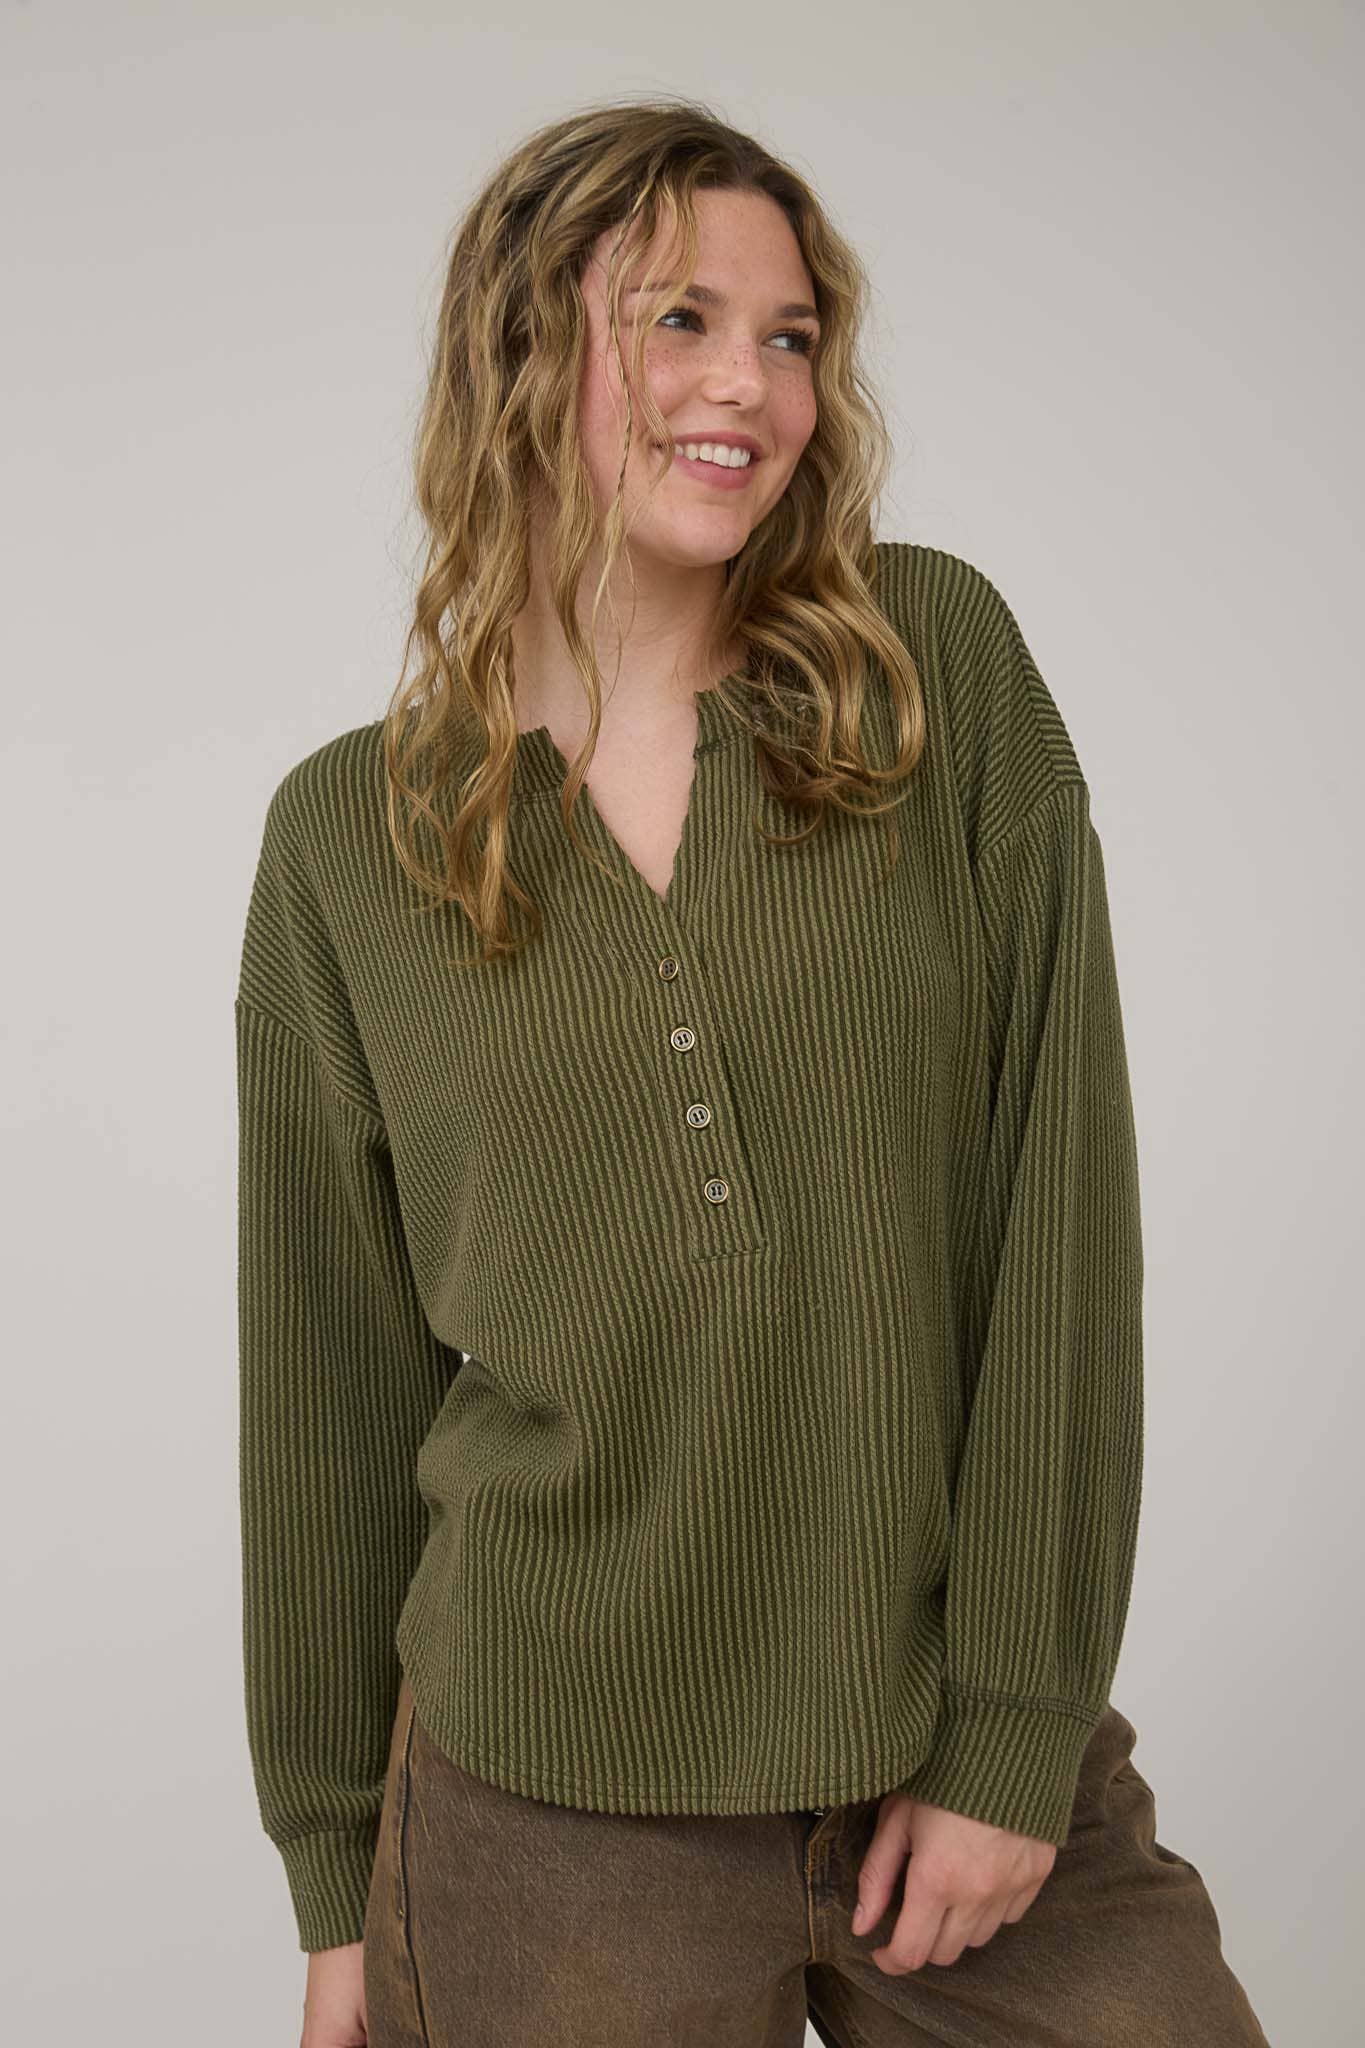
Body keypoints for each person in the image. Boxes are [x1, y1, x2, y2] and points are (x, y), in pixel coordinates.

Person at [235, 97, 1272, 2048]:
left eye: (788, 335)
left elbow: (1057, 1221)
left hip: (945, 1734)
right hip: (536, 1803)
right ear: (517, 354)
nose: (749, 386)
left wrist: (1008, 1735)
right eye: (678, 321)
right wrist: (336, 1875)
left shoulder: (930, 673)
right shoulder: (345, 842)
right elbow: (329, 1393)